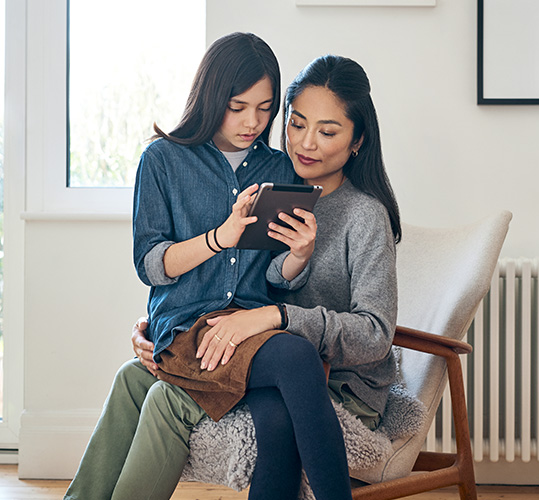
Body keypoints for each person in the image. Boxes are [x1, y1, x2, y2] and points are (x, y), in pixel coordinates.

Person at [69, 52, 402, 500]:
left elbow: (374, 333)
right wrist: (158, 323)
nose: (306, 143)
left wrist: (273, 315)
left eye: (327, 132)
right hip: (259, 349)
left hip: (316, 366)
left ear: (357, 139)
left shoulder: (361, 214)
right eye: (296, 123)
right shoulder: (278, 184)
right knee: (139, 378)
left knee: (277, 388)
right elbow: (240, 276)